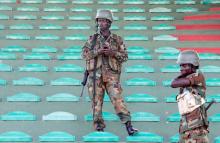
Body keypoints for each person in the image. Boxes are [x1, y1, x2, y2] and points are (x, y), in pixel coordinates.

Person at [82, 9, 138, 135]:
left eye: (103, 21)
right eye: (99, 21)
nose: (100, 23)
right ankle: (99, 127)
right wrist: (98, 51)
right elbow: (84, 54)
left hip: (112, 76)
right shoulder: (92, 39)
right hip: (95, 76)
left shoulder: (117, 40)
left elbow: (125, 57)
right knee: (96, 103)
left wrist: (112, 53)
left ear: (109, 22)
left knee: (118, 100)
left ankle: (128, 125)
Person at [171, 50, 209, 142]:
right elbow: (173, 83)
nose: (181, 68)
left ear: (193, 65)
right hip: (186, 127)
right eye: (180, 65)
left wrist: (181, 75)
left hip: (196, 128)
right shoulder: (187, 78)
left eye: (184, 65)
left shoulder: (198, 75)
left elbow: (174, 83)